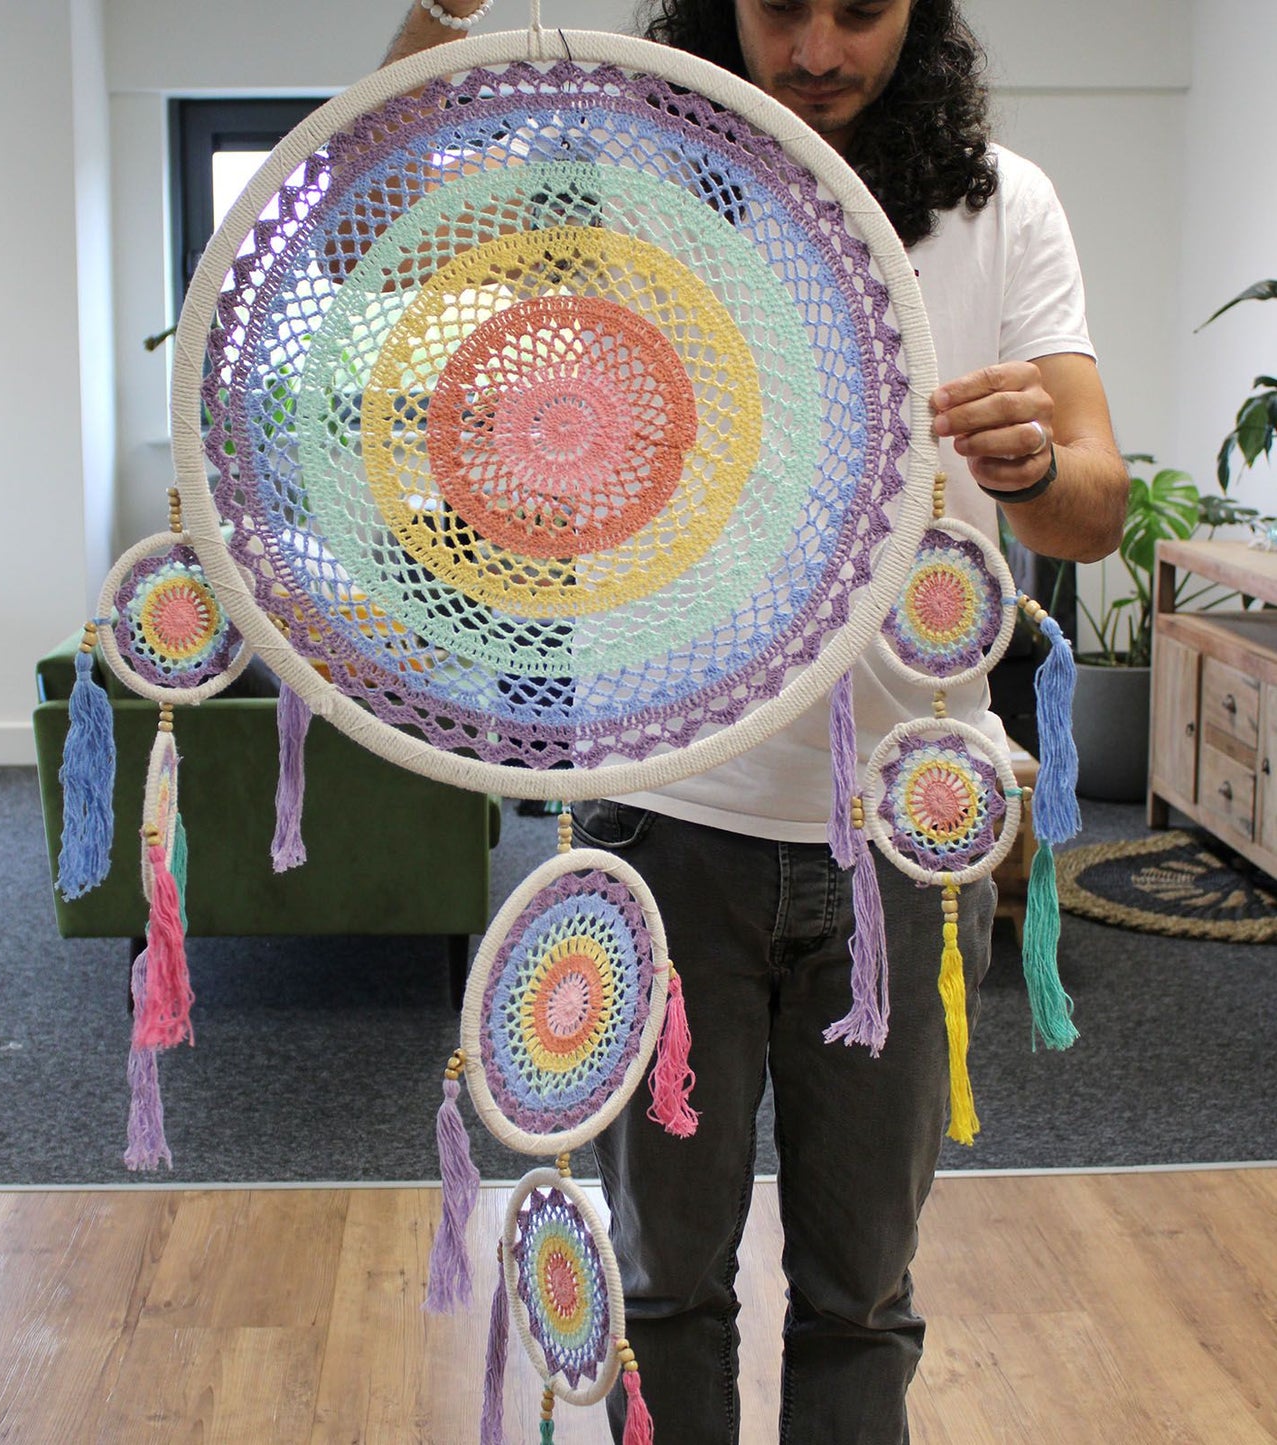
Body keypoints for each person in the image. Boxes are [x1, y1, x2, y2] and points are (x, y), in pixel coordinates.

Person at [384, 1, 1130, 1440]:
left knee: (862, 1293)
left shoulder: (1000, 204)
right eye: (782, 7)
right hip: (665, 819)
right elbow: (396, 201)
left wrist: (1035, 465)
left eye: (860, 10)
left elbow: (1092, 507)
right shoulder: (620, 171)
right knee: (664, 1285)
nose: (819, 51)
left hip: (904, 837)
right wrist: (446, 11)